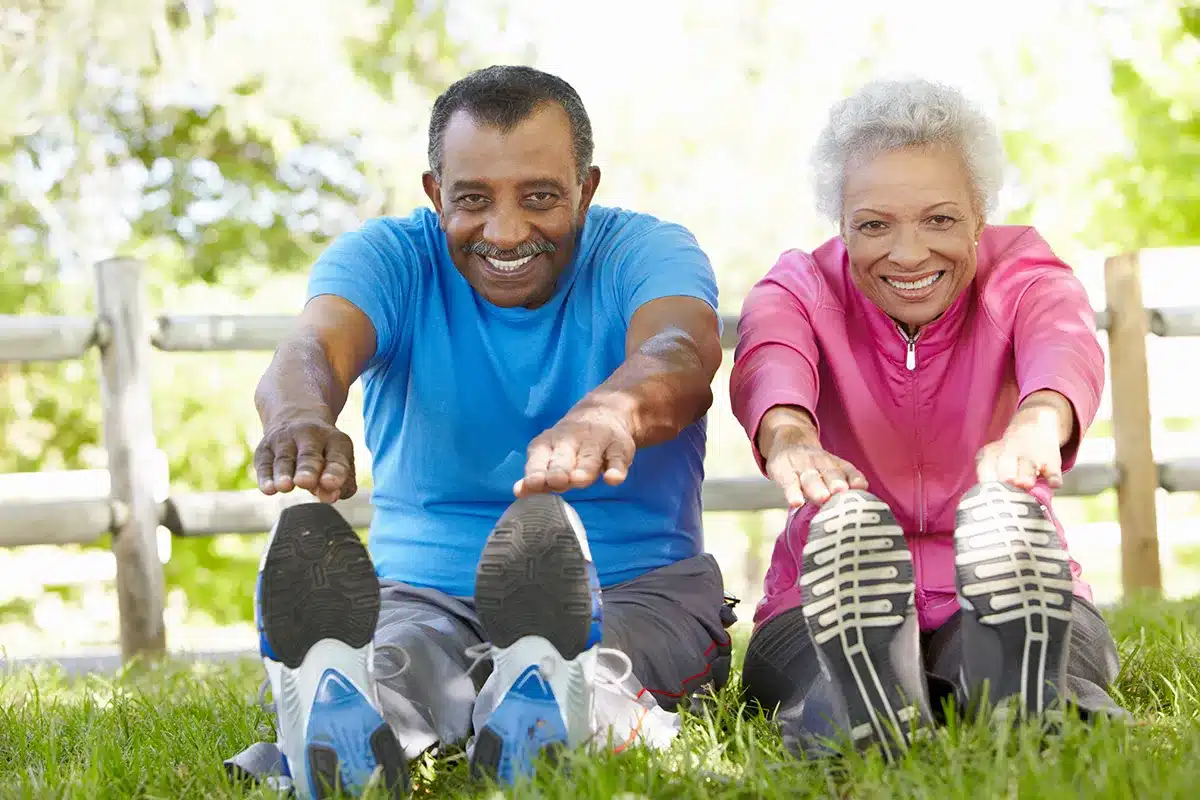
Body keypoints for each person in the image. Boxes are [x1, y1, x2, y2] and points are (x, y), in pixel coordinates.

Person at [226, 65, 734, 798]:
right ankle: (346, 706)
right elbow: (311, 349)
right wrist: (303, 415)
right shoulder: (387, 258)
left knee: (600, 666)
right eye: (472, 200)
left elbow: (681, 356)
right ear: (435, 194)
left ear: (586, 190)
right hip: (422, 594)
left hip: (633, 586)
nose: (505, 231)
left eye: (540, 198)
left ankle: (562, 698)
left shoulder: (648, 252)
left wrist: (609, 411)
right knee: (399, 664)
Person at [730, 77, 1126, 761]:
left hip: (1005, 576)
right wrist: (790, 436)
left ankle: (1010, 689)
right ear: (842, 222)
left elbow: (1063, 342)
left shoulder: (1025, 274)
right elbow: (770, 359)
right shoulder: (800, 286)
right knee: (818, 662)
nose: (908, 253)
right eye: (875, 225)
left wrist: (1039, 418)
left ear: (980, 213)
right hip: (821, 594)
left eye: (939, 220)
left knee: (1033, 645)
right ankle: (886, 692)